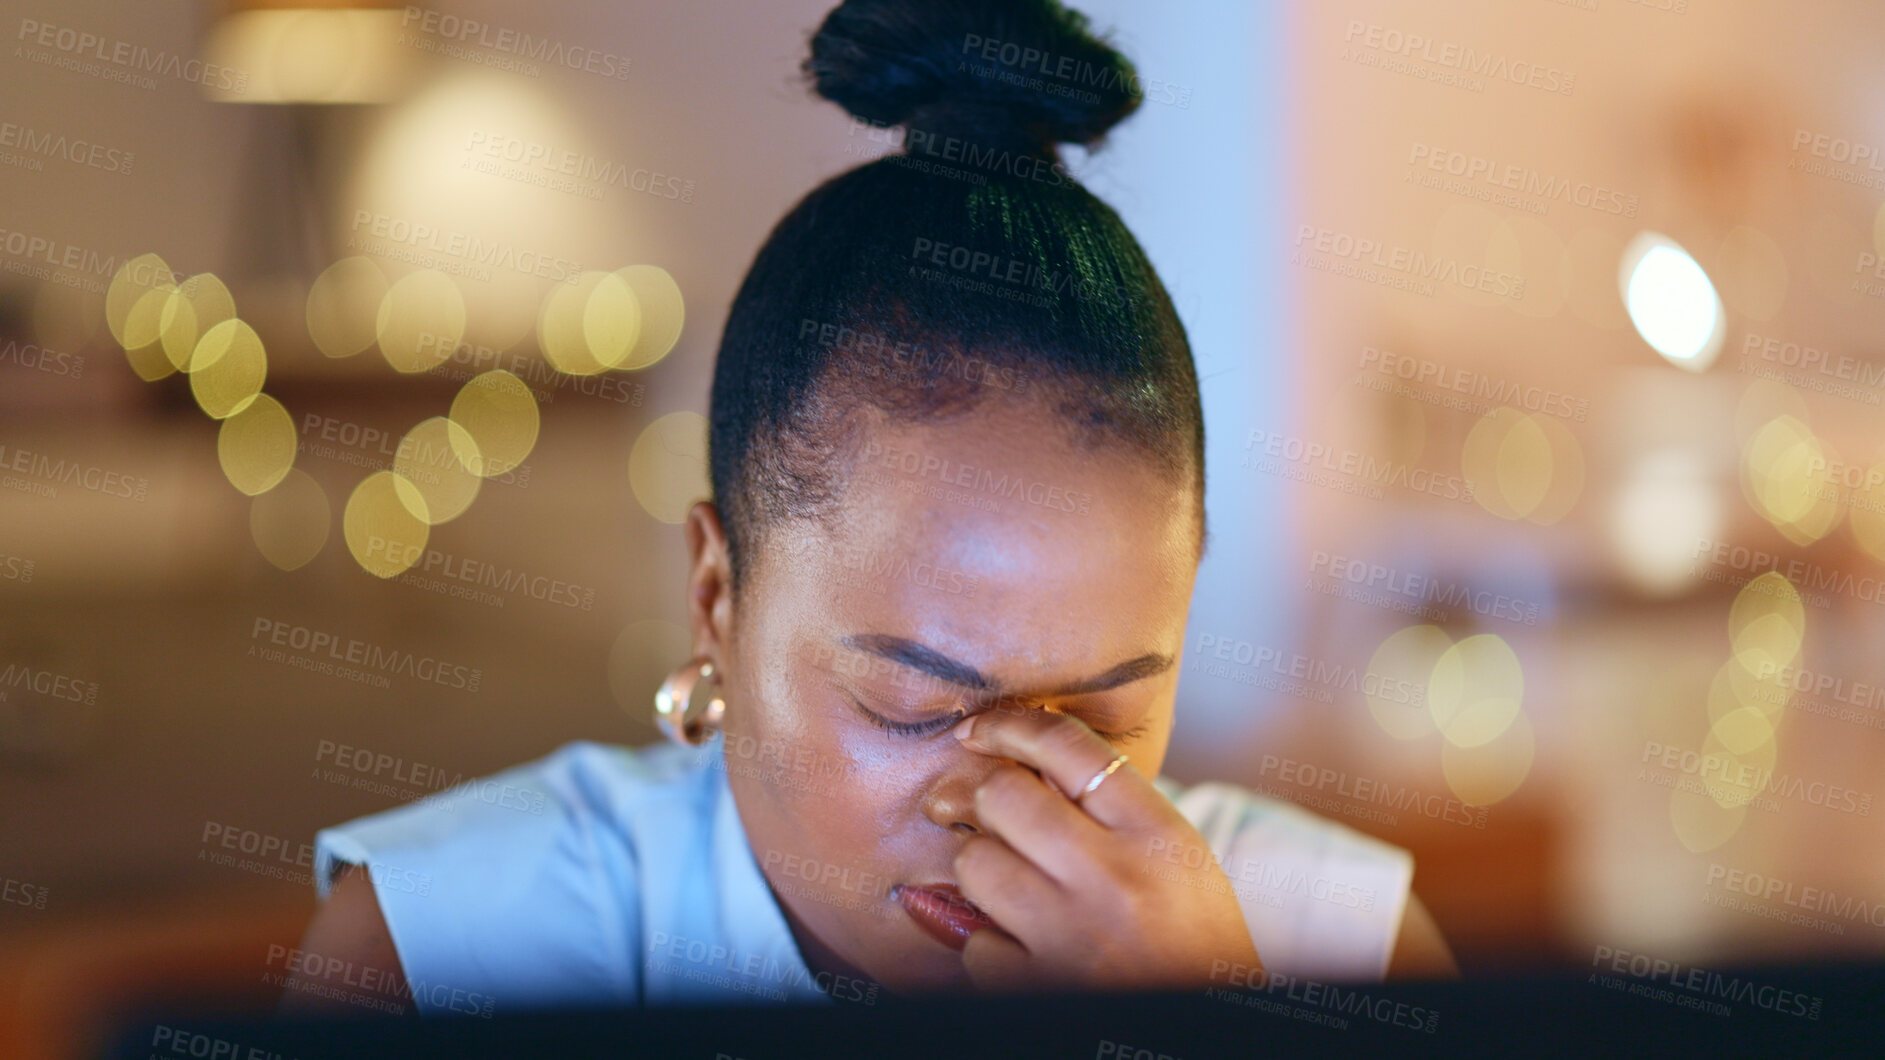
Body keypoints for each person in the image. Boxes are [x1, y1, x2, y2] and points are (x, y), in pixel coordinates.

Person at [287, 0, 1457, 1017]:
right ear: (715, 597)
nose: (1005, 806)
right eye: (914, 701)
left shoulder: (1333, 954)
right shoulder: (452, 957)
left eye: (1100, 725)